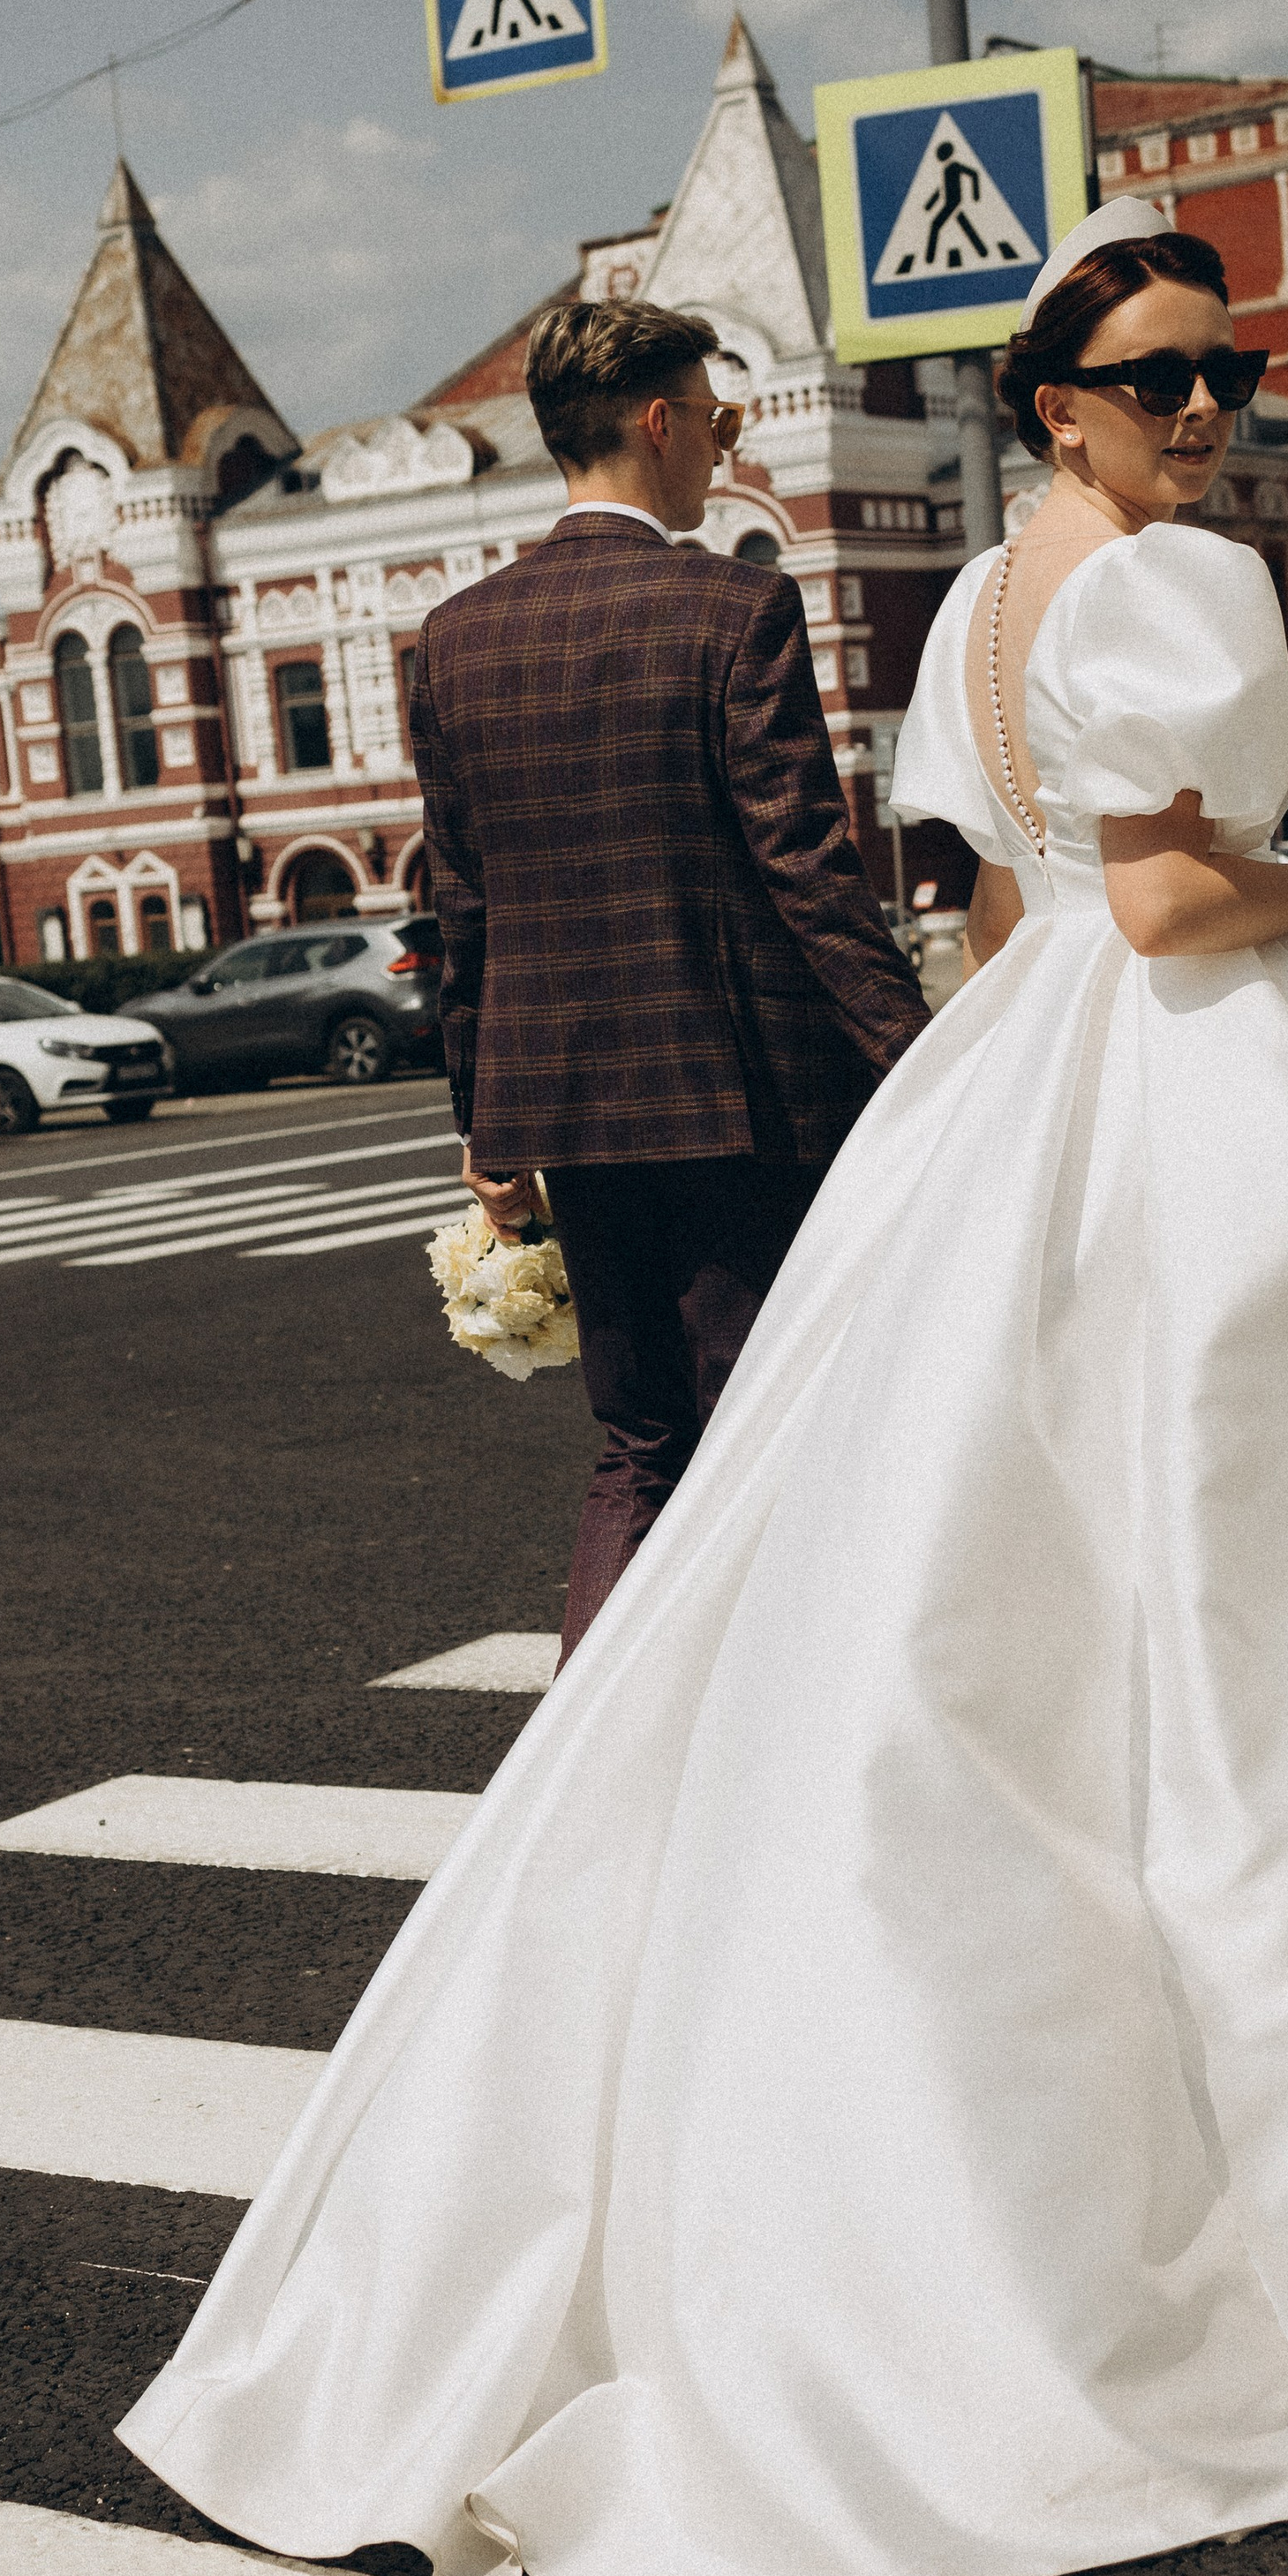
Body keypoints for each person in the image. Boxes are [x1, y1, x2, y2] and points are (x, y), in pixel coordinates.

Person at [119, 202, 1288, 2576]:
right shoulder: (1173, 585)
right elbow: (1159, 912)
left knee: (972, 1554)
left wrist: (914, 1121)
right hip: (1189, 1089)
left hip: (1006, 1083)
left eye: (1233, 380)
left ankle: (1086, 1909)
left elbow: (986, 908)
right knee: (1252, 1545)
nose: (1210, 415)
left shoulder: (967, 601)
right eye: (1164, 377)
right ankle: (1248, 1948)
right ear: (1057, 395)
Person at [404, 298, 929, 1661]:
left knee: (637, 1447)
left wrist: (486, 1126)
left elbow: (461, 910)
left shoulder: (455, 643)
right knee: (772, 1435)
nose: (724, 445)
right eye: (719, 417)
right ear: (658, 423)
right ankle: (771, 1756)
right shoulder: (734, 610)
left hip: (569, 1116)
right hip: (741, 1108)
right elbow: (809, 872)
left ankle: (593, 1777)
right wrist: (922, 1062)